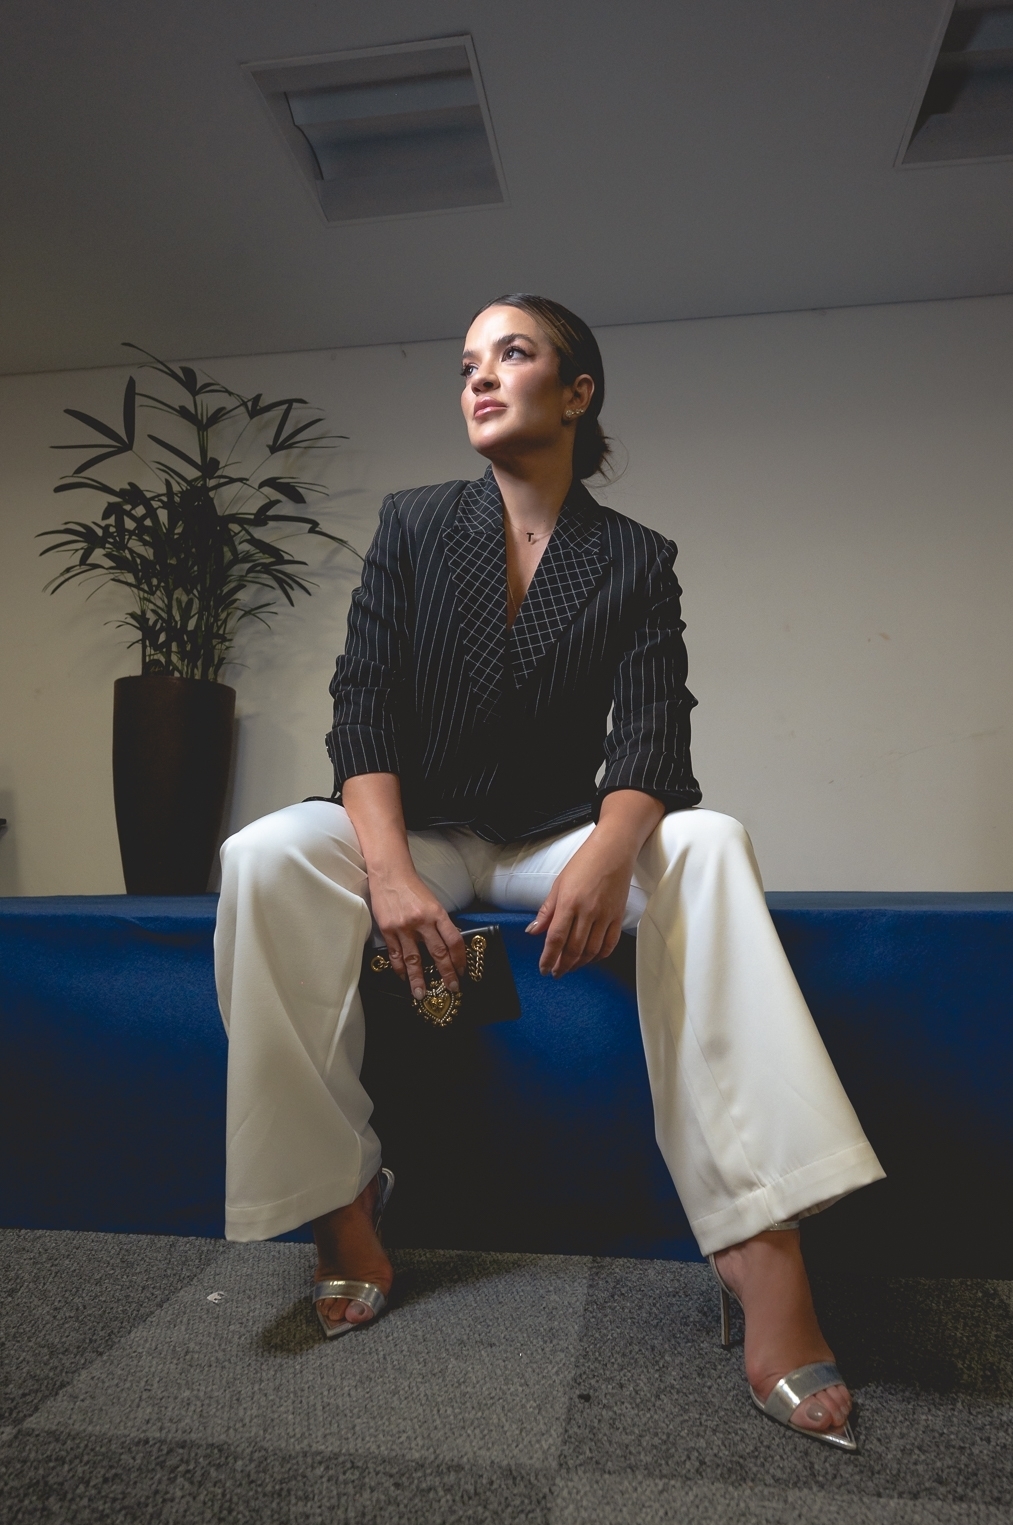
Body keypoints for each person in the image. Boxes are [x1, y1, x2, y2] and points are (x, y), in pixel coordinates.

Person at [215, 294, 885, 1449]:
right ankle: (340, 1197)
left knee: (710, 840)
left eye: (511, 354)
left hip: (555, 839)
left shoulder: (634, 558)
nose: (479, 377)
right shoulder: (416, 524)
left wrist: (611, 854)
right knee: (262, 853)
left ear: (577, 393)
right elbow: (362, 706)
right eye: (467, 363)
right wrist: (388, 873)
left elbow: (655, 735)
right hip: (418, 831)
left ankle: (759, 1240)